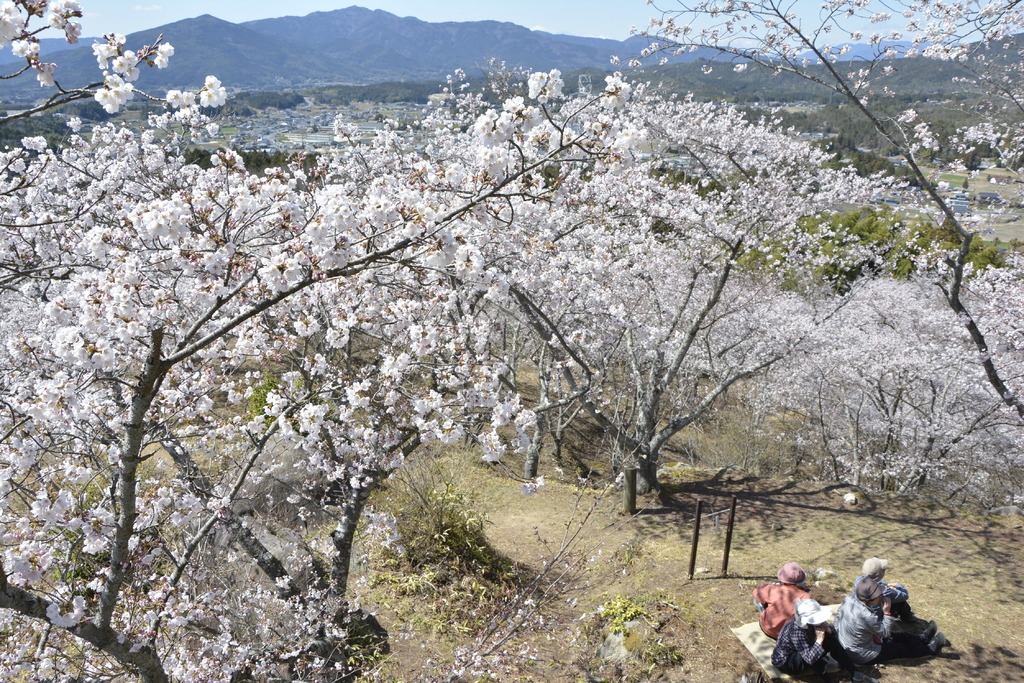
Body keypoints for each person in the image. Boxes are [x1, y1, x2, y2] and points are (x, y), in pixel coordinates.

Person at [834, 577, 945, 666]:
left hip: (853, 643)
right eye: (878, 595)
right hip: (862, 654)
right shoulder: (866, 616)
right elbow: (885, 632)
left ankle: (922, 638)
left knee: (897, 636)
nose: (881, 596)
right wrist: (887, 613)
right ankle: (930, 649)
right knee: (899, 649)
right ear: (869, 600)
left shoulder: (850, 599)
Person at [772, 598, 868, 681]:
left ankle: (853, 671)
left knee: (830, 639)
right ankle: (827, 679)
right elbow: (810, 658)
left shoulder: (812, 622)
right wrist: (819, 640)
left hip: (805, 651)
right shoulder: (796, 631)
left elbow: (833, 632)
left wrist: (828, 629)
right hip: (787, 661)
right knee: (815, 651)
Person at [753, 561, 810, 639]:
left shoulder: (772, 589)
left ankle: (768, 617)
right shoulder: (806, 596)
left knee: (759, 599)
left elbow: (756, 592)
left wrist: (768, 586)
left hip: (767, 629)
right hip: (788, 635)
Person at [856, 557, 913, 621]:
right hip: (878, 618)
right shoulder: (885, 591)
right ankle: (907, 618)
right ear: (879, 574)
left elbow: (877, 581)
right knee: (900, 600)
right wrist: (897, 586)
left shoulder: (859, 580)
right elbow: (905, 595)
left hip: (864, 611)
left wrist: (886, 586)